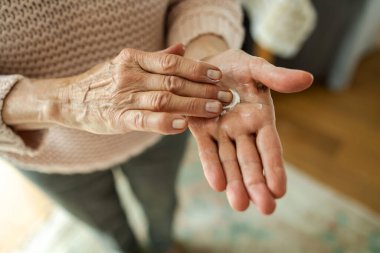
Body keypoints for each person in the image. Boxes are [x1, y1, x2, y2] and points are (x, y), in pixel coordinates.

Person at [0, 1, 313, 252]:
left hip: (166, 120)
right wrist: (61, 101)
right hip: (46, 147)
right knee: (107, 225)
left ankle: (163, 245)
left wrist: (204, 55)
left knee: (161, 204)